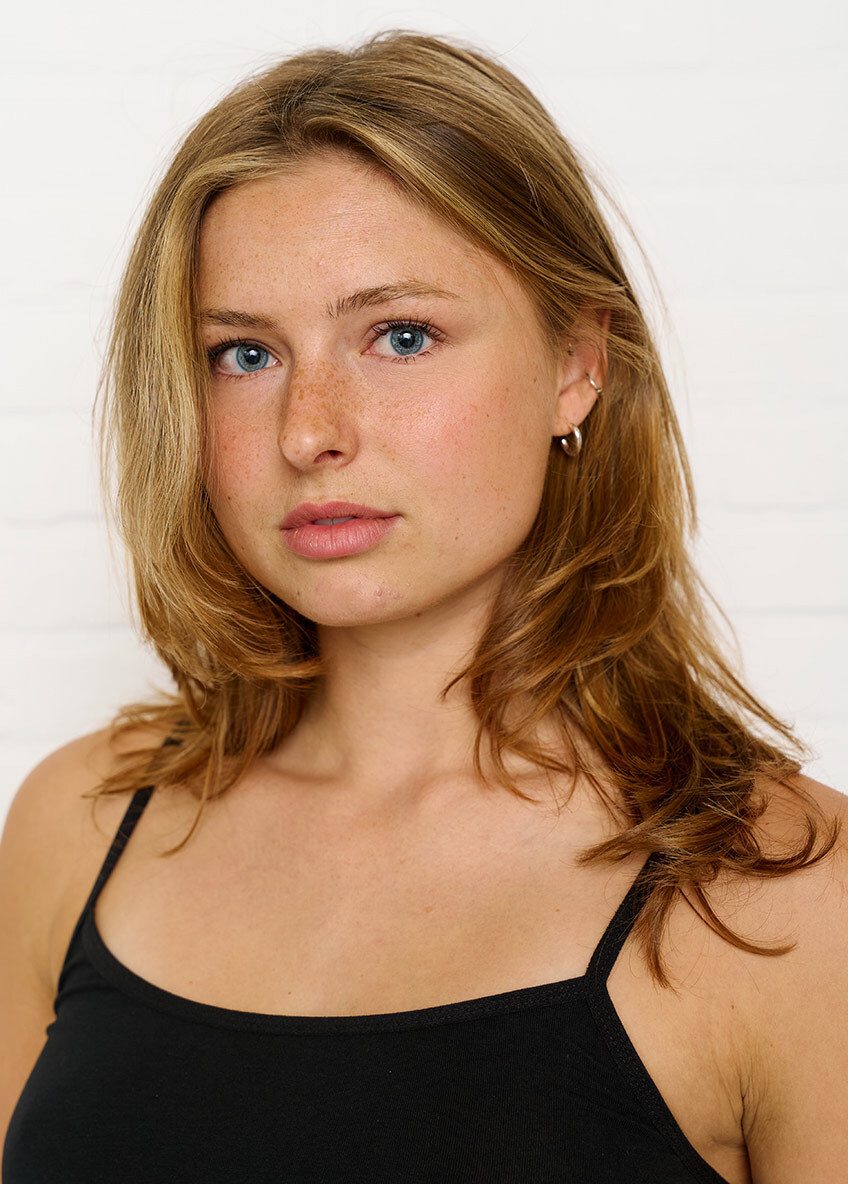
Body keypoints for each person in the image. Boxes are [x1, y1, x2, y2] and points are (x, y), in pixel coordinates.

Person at [1, 28, 846, 1184]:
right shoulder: (80, 823)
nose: (309, 430)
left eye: (400, 336)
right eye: (243, 354)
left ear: (576, 364)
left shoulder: (784, 897)